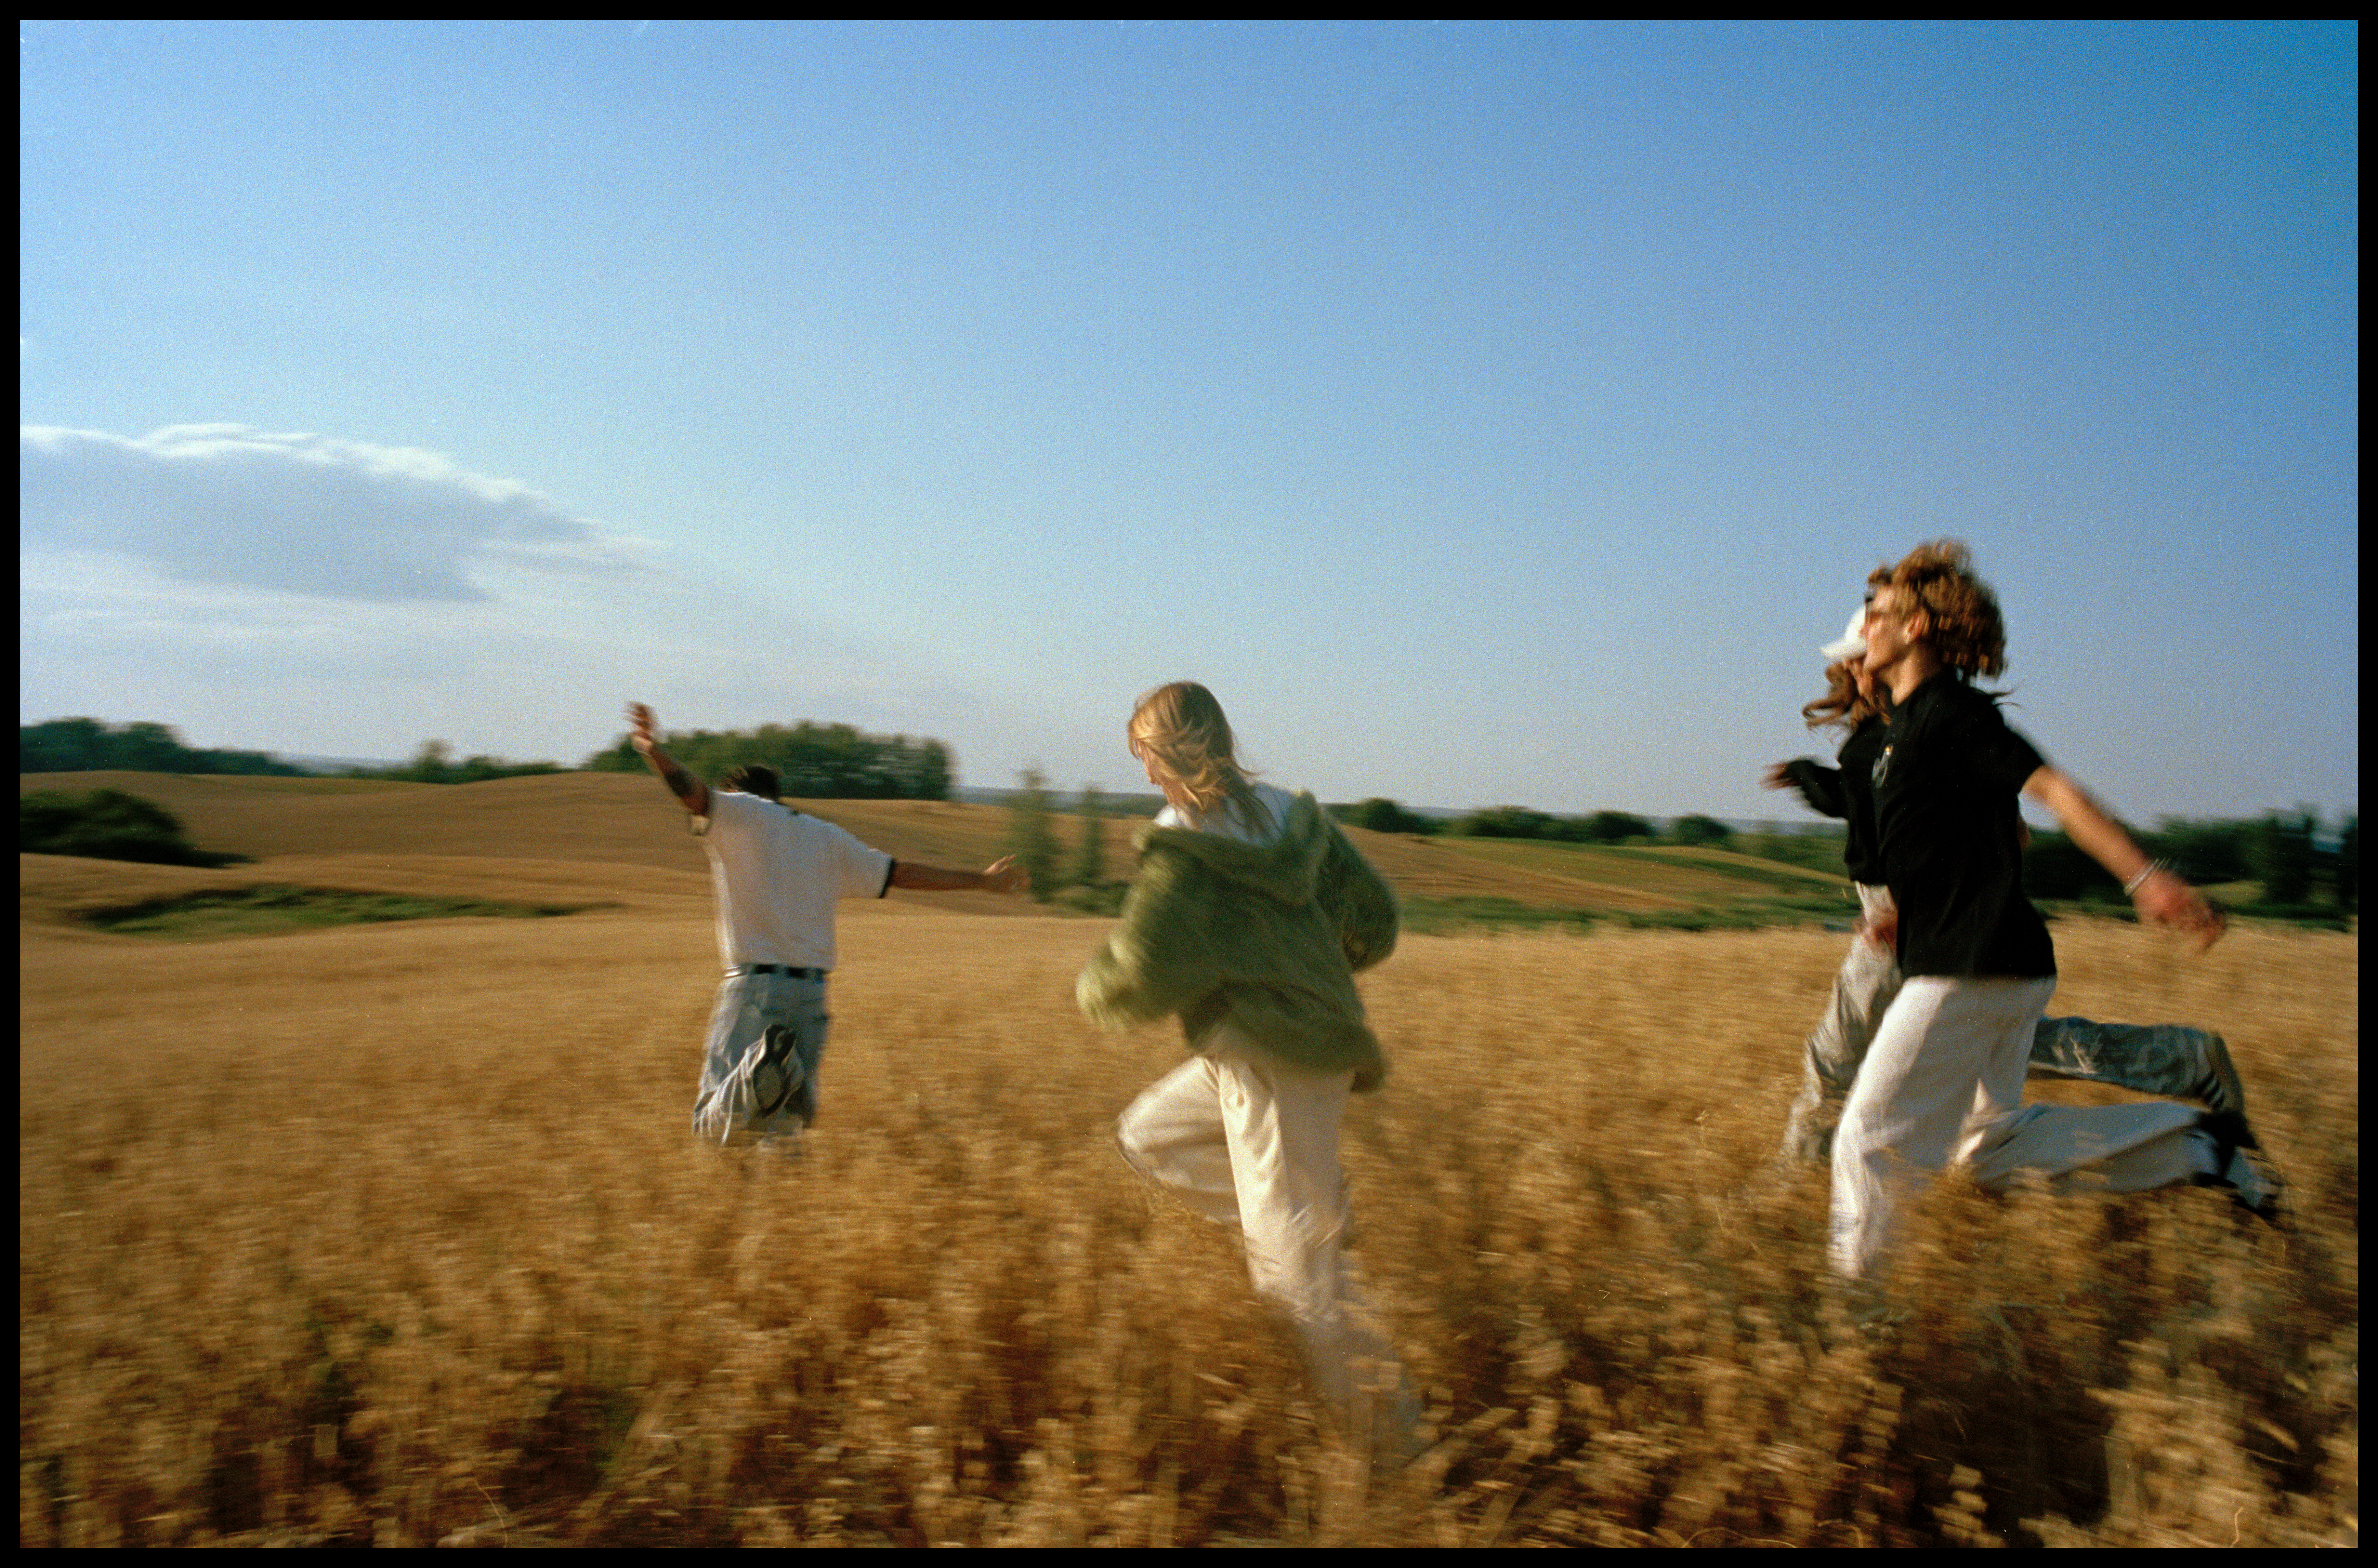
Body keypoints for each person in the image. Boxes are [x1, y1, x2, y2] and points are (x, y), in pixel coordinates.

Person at [1825, 544, 2281, 1283]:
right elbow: (1988, 837)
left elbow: (2053, 795)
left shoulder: (1953, 714)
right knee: (1989, 1150)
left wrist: (2147, 879)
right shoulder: (1899, 736)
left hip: (1969, 968)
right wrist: (1907, 914)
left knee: (1866, 1141)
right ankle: (2204, 1147)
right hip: (1991, 961)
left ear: (1915, 630)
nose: (1864, 627)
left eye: (1877, 613)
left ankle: (1858, 1332)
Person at [1765, 621, 2259, 1167]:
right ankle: (2180, 1062)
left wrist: (1921, 903)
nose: (1851, 668)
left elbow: (2010, 825)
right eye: (1848, 661)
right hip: (1907, 907)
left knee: (1835, 1055)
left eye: (1858, 656)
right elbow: (1867, 807)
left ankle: (1792, 1187)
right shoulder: (1887, 735)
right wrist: (1808, 777)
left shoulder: (1922, 729)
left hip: (1906, 910)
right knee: (2004, 1044)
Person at [1074, 682, 1414, 1441]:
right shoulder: (1294, 816)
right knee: (1148, 1136)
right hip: (1290, 1049)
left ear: (1172, 754)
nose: (1147, 776)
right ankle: (1309, 1218)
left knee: (1292, 1281)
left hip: (1271, 1064)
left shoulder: (1183, 845)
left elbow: (1137, 971)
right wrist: (1314, 973)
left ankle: (1396, 1445)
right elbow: (1378, 921)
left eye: (1149, 758)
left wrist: (1090, 989)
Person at [627, 702, 1027, 1147]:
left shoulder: (739, 814)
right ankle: (780, 1119)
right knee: (778, 1138)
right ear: (778, 794)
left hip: (756, 991)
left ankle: (757, 1073)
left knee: (711, 1125)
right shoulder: (827, 838)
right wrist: (984, 881)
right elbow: (901, 873)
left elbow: (693, 793)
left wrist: (652, 750)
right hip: (811, 996)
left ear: (740, 794)